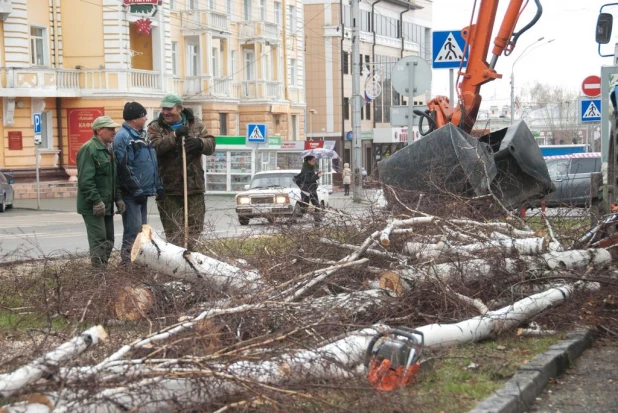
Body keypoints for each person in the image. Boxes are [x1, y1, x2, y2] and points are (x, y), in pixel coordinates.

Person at [148, 93, 215, 249]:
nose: (165, 112)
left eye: (169, 109)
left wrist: (199, 143)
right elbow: (155, 148)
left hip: (194, 186)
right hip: (168, 188)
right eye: (163, 109)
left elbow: (211, 144)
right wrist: (175, 136)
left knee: (195, 228)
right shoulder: (155, 126)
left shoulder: (196, 124)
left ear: (179, 108)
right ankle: (177, 262)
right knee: (174, 233)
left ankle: (191, 259)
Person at [114, 102, 163, 264]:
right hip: (132, 193)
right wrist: (136, 189)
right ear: (135, 119)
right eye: (143, 116)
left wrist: (158, 186)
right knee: (133, 230)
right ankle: (127, 262)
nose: (146, 118)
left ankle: (139, 261)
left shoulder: (143, 134)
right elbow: (124, 167)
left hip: (143, 191)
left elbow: (152, 163)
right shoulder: (124, 137)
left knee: (142, 230)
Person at [76, 116, 125, 268]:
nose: (114, 132)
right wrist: (96, 201)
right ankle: (99, 277)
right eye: (110, 129)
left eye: (114, 128)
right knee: (99, 240)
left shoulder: (109, 150)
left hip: (107, 204)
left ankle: (102, 271)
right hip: (93, 205)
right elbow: (85, 180)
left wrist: (118, 199)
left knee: (109, 239)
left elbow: (113, 178)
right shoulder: (89, 149)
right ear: (99, 130)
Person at [298, 155, 323, 225]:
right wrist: (318, 176)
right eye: (313, 161)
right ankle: (294, 217)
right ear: (308, 161)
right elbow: (308, 180)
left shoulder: (310, 168)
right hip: (307, 190)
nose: (314, 162)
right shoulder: (305, 169)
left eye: (315, 161)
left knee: (316, 204)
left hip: (311, 189)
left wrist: (317, 174)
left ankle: (317, 219)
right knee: (305, 207)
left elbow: (311, 177)